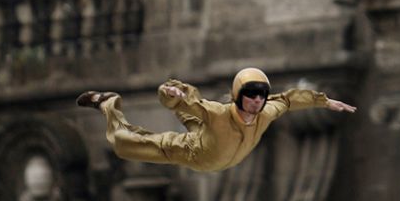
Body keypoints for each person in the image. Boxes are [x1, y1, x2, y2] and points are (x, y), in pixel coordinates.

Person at [76, 67, 357, 172]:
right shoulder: (219, 112)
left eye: (261, 95)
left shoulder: (267, 111)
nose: (257, 101)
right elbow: (183, 104)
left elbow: (288, 99)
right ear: (238, 96)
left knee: (194, 110)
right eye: (251, 95)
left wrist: (324, 100)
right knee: (124, 144)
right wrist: (170, 93)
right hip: (192, 150)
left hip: (213, 144)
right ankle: (108, 104)